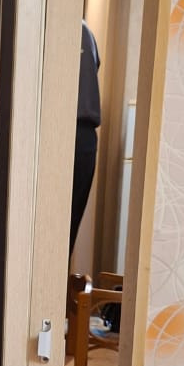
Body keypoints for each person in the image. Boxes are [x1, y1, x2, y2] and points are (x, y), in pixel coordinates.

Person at [70, 21, 101, 254]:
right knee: (68, 225)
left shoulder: (55, 25)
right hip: (86, 139)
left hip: (64, 132)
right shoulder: (87, 32)